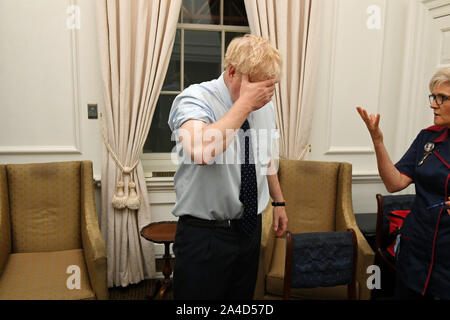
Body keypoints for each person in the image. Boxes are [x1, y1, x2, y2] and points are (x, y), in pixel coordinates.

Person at [168, 34, 288, 300]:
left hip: (249, 230)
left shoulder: (263, 106)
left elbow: (265, 155)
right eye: (260, 88)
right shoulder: (195, 98)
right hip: (205, 234)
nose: (266, 96)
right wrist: (244, 105)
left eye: (270, 88)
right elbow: (201, 151)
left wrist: (278, 202)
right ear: (233, 72)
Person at [357, 67, 450, 300]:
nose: (433, 104)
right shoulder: (428, 138)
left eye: (442, 98)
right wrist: (378, 141)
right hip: (416, 247)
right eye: (434, 97)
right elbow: (394, 183)